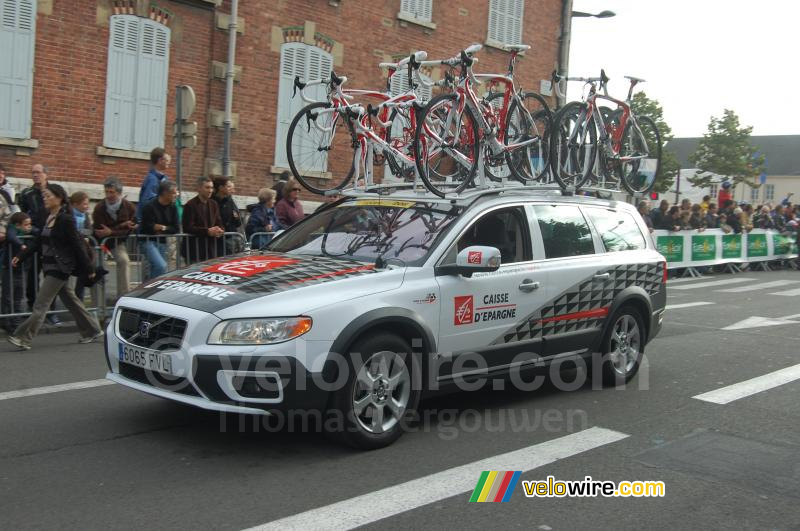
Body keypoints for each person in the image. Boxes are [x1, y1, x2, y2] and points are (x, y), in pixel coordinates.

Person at [7, 184, 103, 350]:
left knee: (40, 304)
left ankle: (23, 337)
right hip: (49, 265)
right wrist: (20, 256)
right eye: (44, 196)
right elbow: (38, 241)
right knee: (70, 300)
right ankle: (92, 330)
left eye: (48, 196)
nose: (45, 199)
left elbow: (77, 245)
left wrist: (89, 268)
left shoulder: (66, 219)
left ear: (59, 198)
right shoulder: (47, 216)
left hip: (60, 267)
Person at [17, 164, 61, 326]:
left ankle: (51, 312)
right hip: (34, 240)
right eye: (33, 173)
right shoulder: (26, 194)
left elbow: (62, 211)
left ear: (46, 174)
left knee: (52, 276)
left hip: (51, 240)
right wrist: (32, 230)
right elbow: (20, 216)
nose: (35, 175)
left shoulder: (55, 191)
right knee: (32, 276)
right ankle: (32, 308)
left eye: (38, 172)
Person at [92, 176, 136, 296]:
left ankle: (123, 295)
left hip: (117, 242)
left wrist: (111, 232)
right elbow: (99, 230)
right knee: (95, 266)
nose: (109, 195)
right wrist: (120, 226)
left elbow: (129, 230)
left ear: (119, 193)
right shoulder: (100, 207)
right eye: (106, 192)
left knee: (124, 261)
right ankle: (97, 302)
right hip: (99, 242)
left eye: (112, 192)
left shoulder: (129, 207)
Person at [140, 180, 179, 279]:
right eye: (174, 192)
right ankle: (150, 290)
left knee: (158, 270)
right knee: (161, 266)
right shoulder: (149, 206)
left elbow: (176, 228)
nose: (177, 195)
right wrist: (157, 228)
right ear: (165, 193)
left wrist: (163, 227)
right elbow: (147, 226)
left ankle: (150, 290)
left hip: (162, 241)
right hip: (148, 241)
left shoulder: (173, 207)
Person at [182, 176, 224, 263]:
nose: (210, 190)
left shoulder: (214, 204)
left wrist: (220, 230)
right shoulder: (190, 205)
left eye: (212, 187)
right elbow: (188, 227)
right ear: (199, 188)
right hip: (194, 251)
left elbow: (219, 222)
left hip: (210, 250)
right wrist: (207, 231)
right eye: (207, 187)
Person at [2, 212, 31, 332]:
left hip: (21, 269)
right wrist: (21, 245)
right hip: (9, 268)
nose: (28, 226)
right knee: (8, 296)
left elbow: (37, 231)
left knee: (19, 296)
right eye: (26, 224)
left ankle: (16, 323)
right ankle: (5, 320)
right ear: (17, 225)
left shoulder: (27, 232)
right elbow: (11, 236)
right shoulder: (11, 229)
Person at [69, 191, 94, 301]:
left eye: (87, 204)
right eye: (84, 204)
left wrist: (85, 236)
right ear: (75, 204)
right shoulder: (69, 215)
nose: (87, 206)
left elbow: (89, 230)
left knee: (83, 273)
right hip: (72, 249)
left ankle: (79, 298)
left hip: (83, 248)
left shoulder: (86, 216)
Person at [136, 147, 170, 223]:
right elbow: (148, 203)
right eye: (166, 160)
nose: (168, 162)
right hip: (151, 223)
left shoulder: (164, 178)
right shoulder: (152, 180)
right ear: (160, 161)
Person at [212, 177, 242, 254]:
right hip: (217, 240)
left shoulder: (230, 200)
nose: (232, 190)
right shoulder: (212, 201)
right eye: (228, 187)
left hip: (231, 238)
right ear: (221, 188)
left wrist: (237, 217)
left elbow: (238, 220)